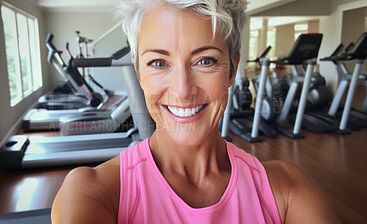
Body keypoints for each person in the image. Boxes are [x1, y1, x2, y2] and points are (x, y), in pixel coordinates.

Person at [51, 0, 339, 223]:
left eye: (205, 61)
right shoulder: (95, 193)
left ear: (232, 71)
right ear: (139, 73)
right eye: (159, 63)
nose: (183, 90)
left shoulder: (288, 190)